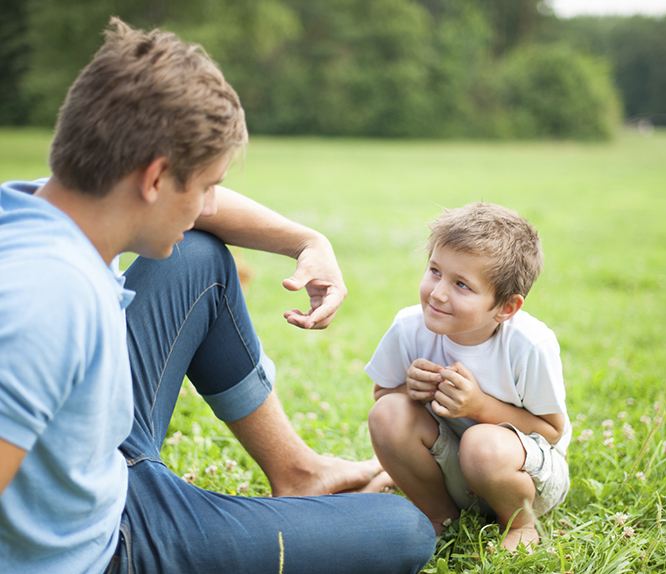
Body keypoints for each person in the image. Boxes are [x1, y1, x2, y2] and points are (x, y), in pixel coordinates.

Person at [0, 17, 435, 574]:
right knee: (402, 531)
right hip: (103, 544)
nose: (211, 203)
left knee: (198, 256)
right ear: (155, 179)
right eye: (206, 186)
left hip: (95, 464)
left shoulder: (51, 208)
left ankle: (299, 471)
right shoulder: (46, 301)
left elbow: (205, 219)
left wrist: (308, 240)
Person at [366, 202, 571, 551]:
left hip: (524, 478)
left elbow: (552, 432)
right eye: (434, 271)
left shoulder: (529, 345)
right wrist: (408, 389)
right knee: (387, 414)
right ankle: (440, 516)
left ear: (506, 307)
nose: (438, 292)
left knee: (482, 444)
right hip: (455, 470)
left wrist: (479, 405)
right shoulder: (409, 327)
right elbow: (382, 396)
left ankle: (521, 525)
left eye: (462, 284)